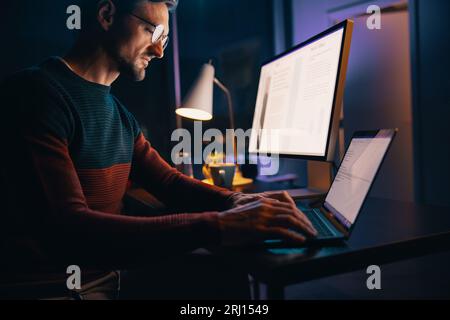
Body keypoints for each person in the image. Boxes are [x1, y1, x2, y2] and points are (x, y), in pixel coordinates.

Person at [0, 0, 316, 299]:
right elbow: (73, 230)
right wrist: (220, 225)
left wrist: (239, 199)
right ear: (107, 15)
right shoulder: (37, 94)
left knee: (227, 278)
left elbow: (169, 183)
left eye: (164, 37)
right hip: (54, 287)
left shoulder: (120, 116)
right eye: (154, 32)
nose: (160, 50)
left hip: (111, 277)